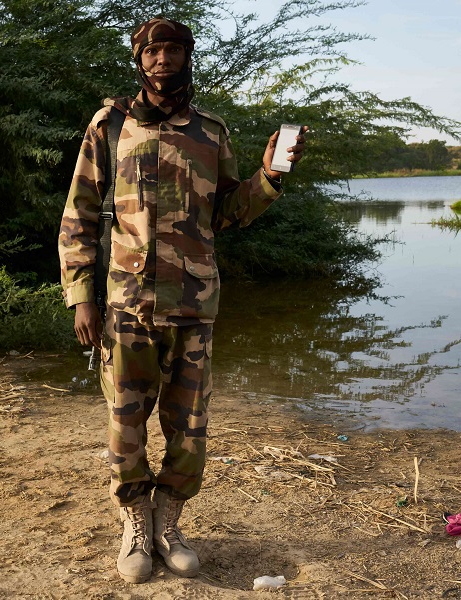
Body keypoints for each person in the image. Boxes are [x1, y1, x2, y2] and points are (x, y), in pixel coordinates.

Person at [58, 16, 307, 584]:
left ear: (187, 56)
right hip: (126, 304)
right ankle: (135, 526)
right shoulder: (110, 124)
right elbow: (80, 214)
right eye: (152, 51)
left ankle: (169, 523)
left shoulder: (210, 132)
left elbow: (226, 214)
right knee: (125, 423)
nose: (163, 59)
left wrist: (269, 176)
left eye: (173, 49)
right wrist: (82, 296)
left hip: (194, 305)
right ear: (139, 60)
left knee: (188, 426)